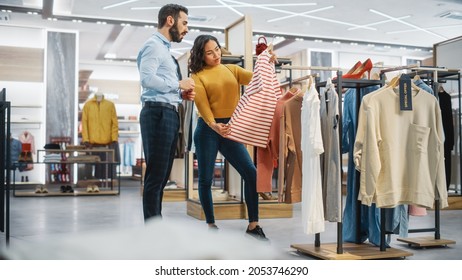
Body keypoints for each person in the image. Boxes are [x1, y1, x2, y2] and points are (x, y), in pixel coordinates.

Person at [189, 34, 268, 241]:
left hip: (231, 129)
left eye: (217, 49)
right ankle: (211, 225)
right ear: (201, 55)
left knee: (251, 174)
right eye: (209, 52)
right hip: (208, 129)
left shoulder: (231, 70)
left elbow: (258, 79)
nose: (215, 55)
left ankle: (253, 225)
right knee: (205, 179)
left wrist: (267, 61)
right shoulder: (197, 76)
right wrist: (214, 124)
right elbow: (202, 105)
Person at [137, 4, 195, 220]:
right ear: (170, 21)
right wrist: (178, 84)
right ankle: (153, 230)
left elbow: (162, 85)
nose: (186, 29)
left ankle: (156, 226)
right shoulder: (153, 46)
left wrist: (180, 95)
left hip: (168, 113)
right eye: (185, 23)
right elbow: (147, 79)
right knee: (155, 176)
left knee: (161, 177)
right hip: (157, 114)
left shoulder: (166, 52)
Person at [81, 92, 119, 192]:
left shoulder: (110, 105)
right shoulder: (88, 105)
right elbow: (84, 123)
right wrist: (85, 139)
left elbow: (114, 123)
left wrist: (114, 138)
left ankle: (106, 185)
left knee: (107, 165)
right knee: (90, 165)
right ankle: (90, 184)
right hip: (91, 143)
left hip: (107, 142)